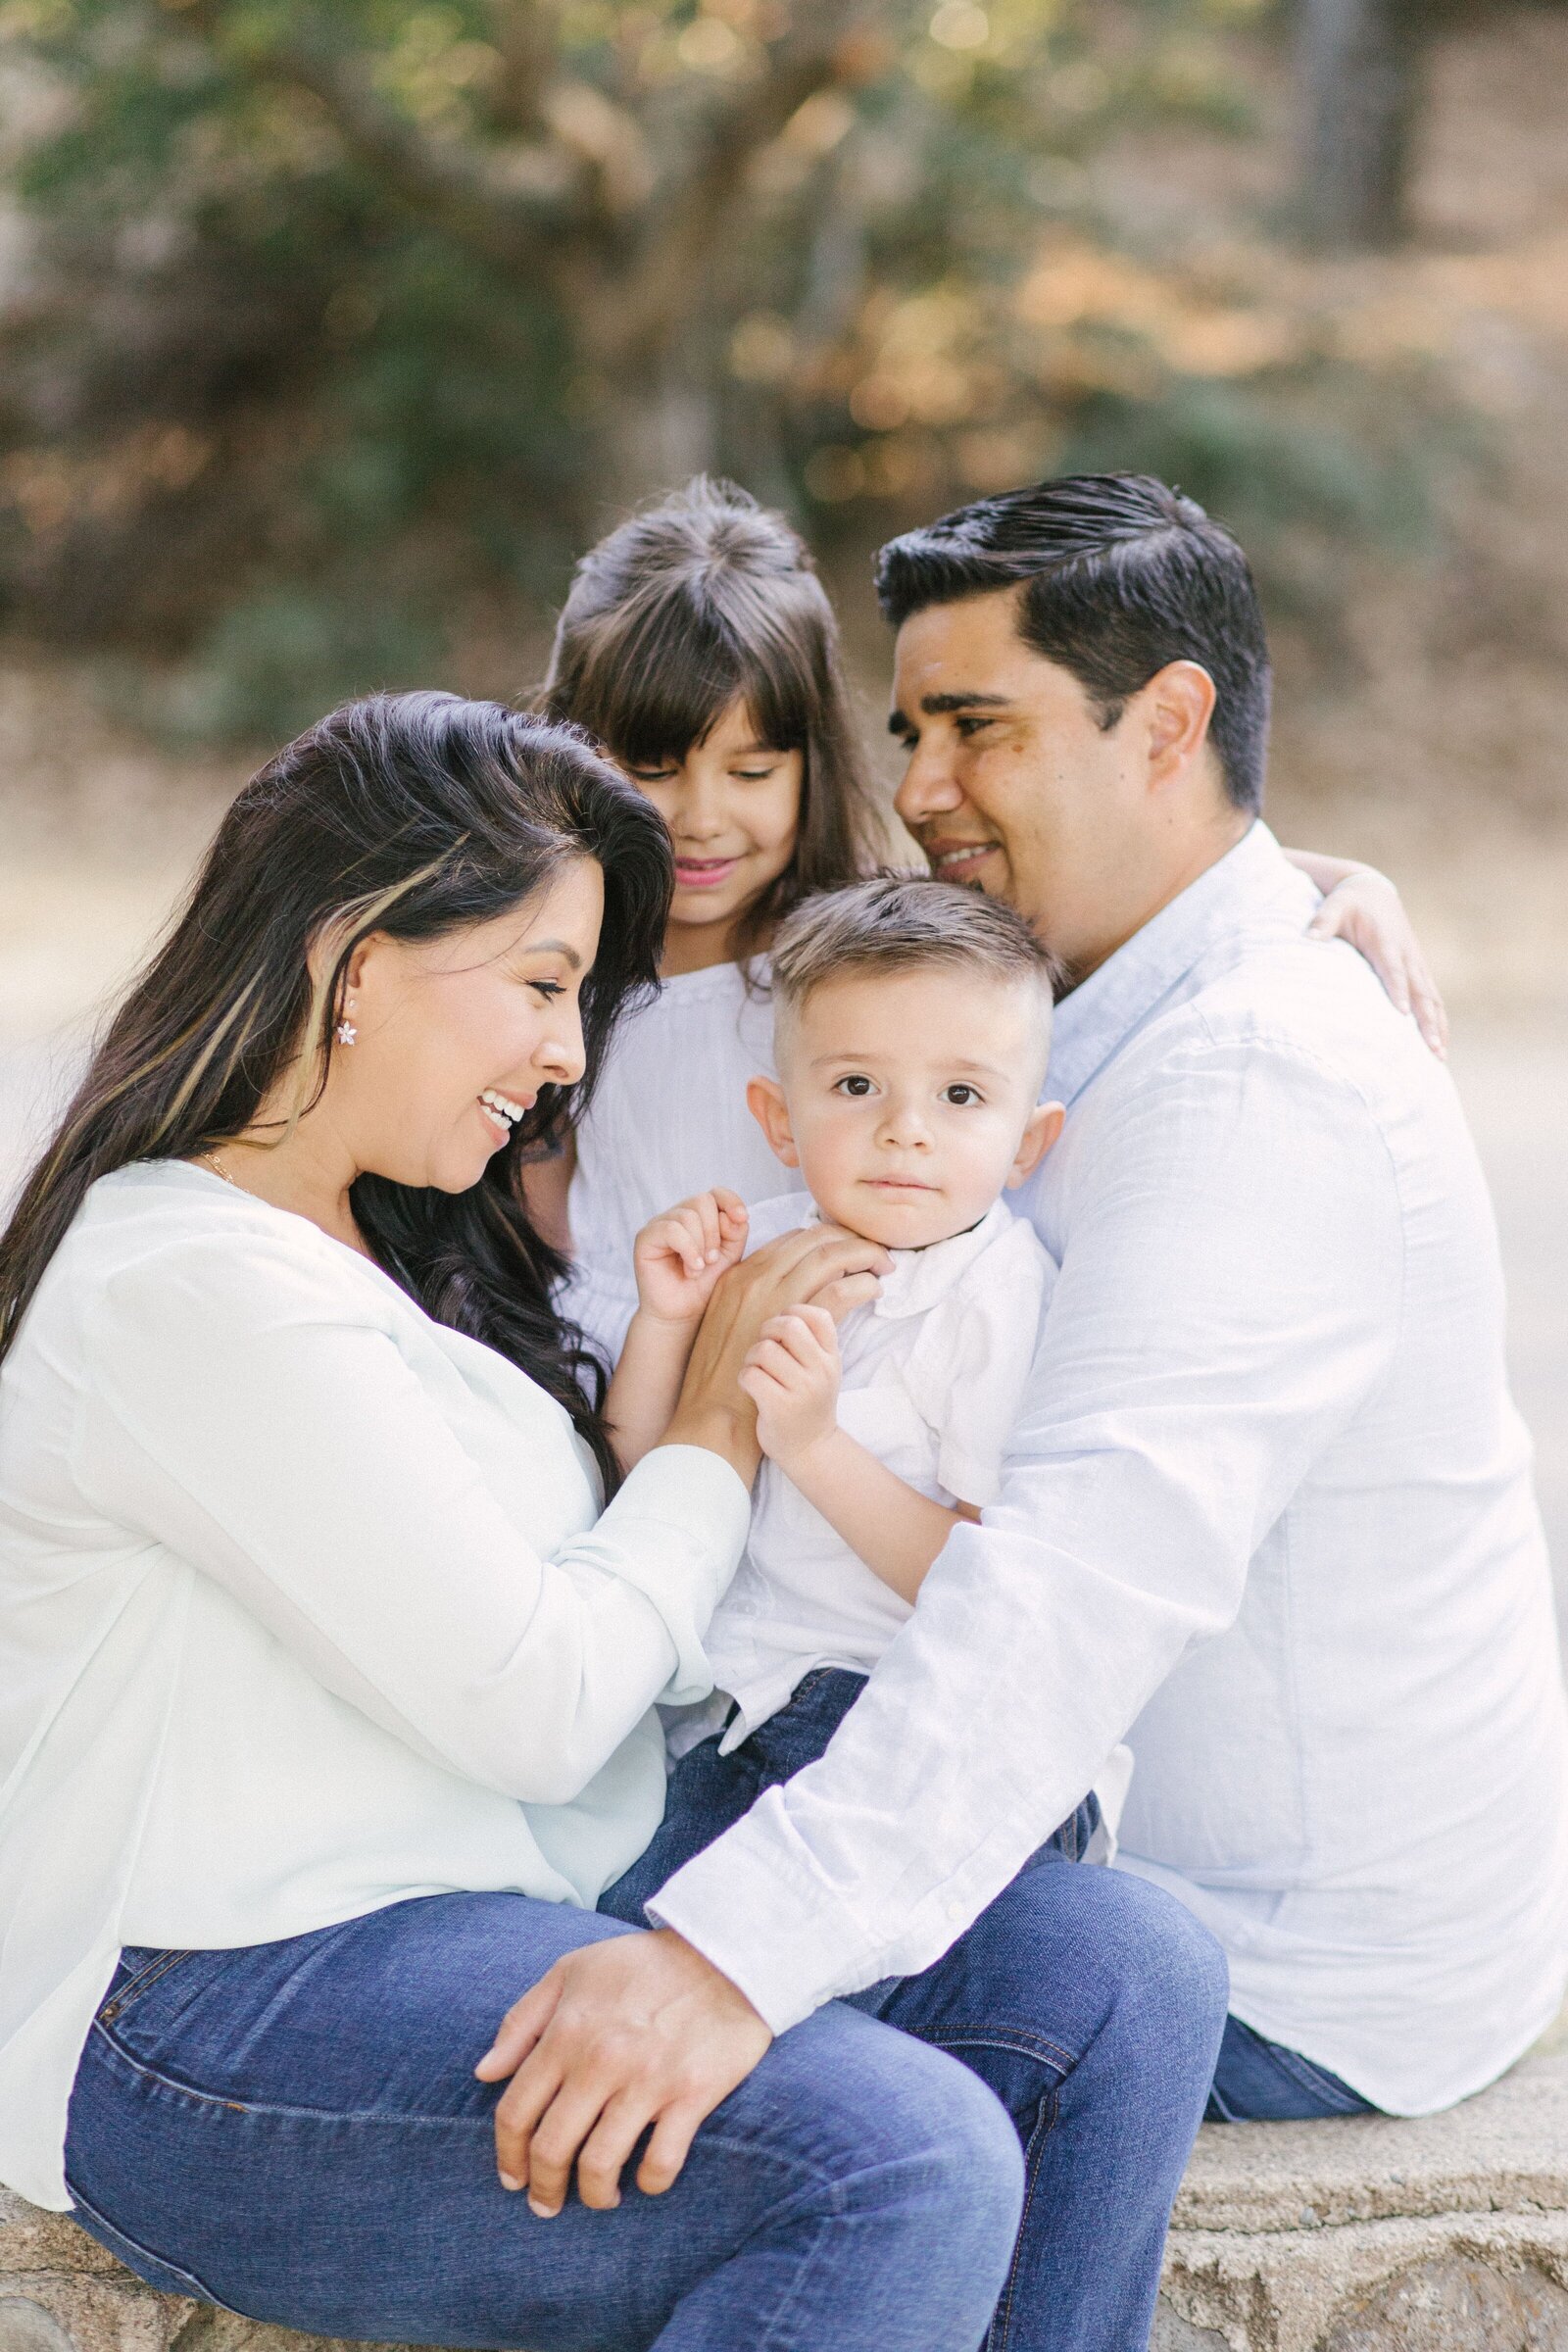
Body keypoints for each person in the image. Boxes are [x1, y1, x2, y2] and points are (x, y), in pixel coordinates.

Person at [476, 477, 1568, 2352]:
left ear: (1168, 726)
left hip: (1274, 1946)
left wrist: (738, 1953)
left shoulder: (1261, 1082)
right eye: (908, 730)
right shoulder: (1113, 981)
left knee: (686, 2095)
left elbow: (1068, 1592)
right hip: (1094, 1826)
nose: (925, 785)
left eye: (981, 730)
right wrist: (1307, 871)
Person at [0, 692, 1037, 2352]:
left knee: (1111, 1974)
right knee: (889, 2162)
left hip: (510, 1891)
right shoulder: (186, 1282)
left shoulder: (382, 1247)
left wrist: (1283, 906)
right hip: (211, 1997)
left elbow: (891, 977)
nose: (568, 1056)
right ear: (356, 962)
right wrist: (714, 1437)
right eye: (545, 989)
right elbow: (545, 1702)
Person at [533, 474, 1446, 1355]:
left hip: (827, 1360)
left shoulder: (847, 951)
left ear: (810, 761)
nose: (698, 818)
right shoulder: (559, 956)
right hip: (620, 1351)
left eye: (751, 772)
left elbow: (1175, 867)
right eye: (651, 770)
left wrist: (1334, 878)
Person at [601, 873, 1124, 1904]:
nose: (905, 1130)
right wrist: (666, 1320)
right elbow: (643, 1469)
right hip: (741, 1707)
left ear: (1027, 1143)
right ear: (779, 1120)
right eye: (855, 1088)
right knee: (605, 1885)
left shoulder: (994, 1300)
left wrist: (812, 1445)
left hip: (891, 1715)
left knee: (660, 1920)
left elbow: (981, 1585)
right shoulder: (762, 1245)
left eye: (960, 1095)